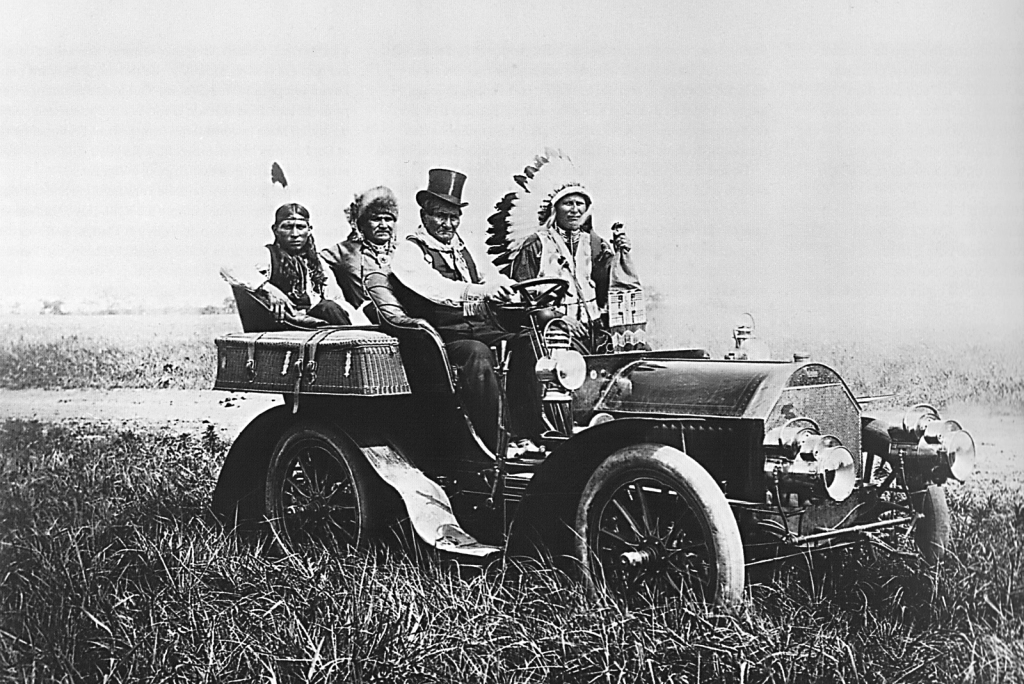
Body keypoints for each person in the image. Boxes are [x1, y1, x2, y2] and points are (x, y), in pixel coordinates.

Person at [391, 168, 539, 453]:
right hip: (436, 339)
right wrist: (480, 292)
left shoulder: (462, 248)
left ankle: (529, 434)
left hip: (476, 328)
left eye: (454, 217)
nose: (448, 224)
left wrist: (513, 287)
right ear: (424, 216)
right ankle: (496, 444)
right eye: (440, 216)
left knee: (526, 343)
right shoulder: (410, 251)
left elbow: (489, 276)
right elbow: (438, 289)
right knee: (476, 353)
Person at [487, 151, 633, 352]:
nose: (575, 210)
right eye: (568, 203)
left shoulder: (594, 243)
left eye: (579, 203)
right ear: (555, 209)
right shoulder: (536, 245)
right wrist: (559, 318)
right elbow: (524, 300)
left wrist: (620, 254)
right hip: (555, 333)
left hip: (596, 330)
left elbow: (610, 284)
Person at [220, 203, 365, 327]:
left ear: (309, 230)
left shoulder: (317, 263)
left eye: (300, 227)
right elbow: (228, 267)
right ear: (275, 230)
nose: (295, 233)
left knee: (330, 307)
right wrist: (268, 288)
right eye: (287, 227)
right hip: (284, 325)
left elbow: (336, 299)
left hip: (316, 325)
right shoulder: (266, 255)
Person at [321, 186, 399, 322]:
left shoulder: (404, 251)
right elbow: (311, 259)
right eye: (376, 219)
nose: (383, 225)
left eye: (388, 219)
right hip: (366, 319)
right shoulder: (345, 251)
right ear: (362, 224)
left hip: (404, 316)